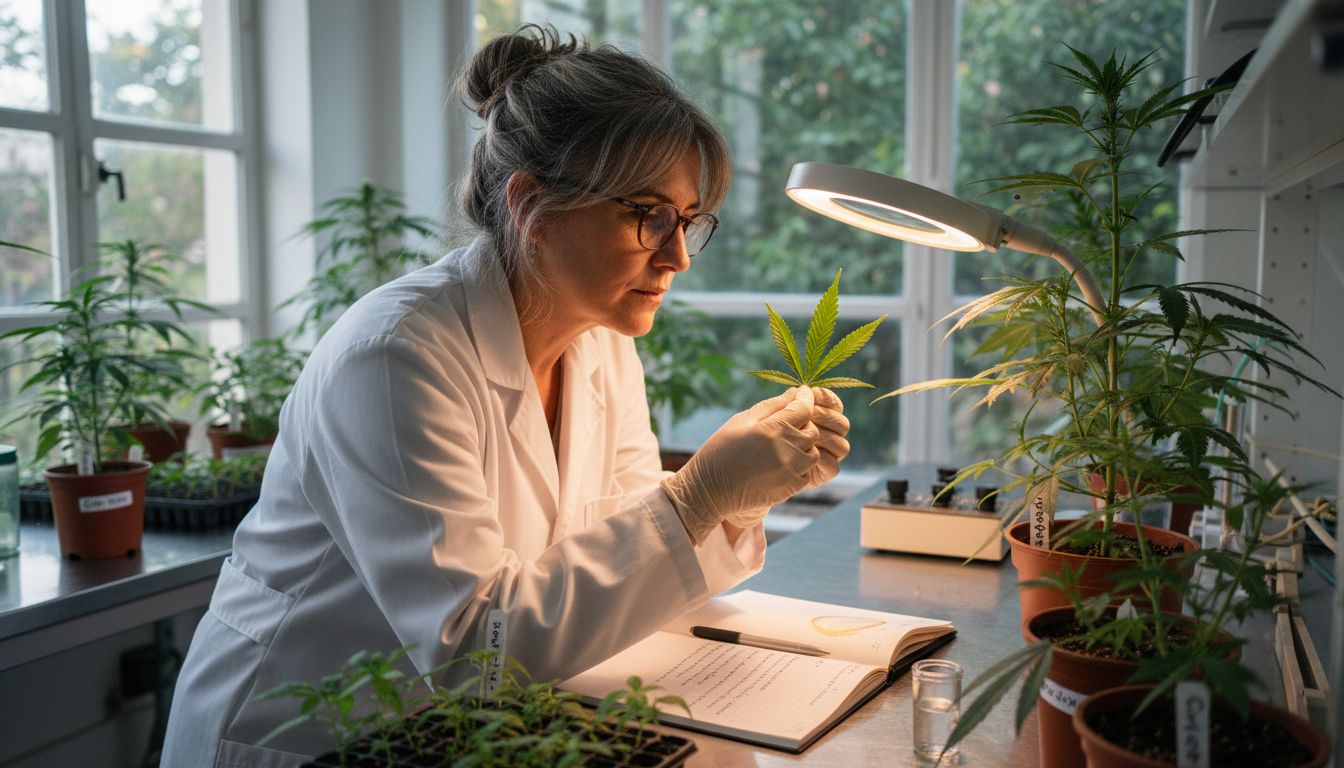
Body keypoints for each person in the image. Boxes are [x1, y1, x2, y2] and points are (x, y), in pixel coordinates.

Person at [161, 24, 850, 767]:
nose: (677, 255)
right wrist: (693, 501)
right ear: (532, 206)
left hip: (460, 733)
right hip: (305, 735)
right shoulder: (396, 356)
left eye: (687, 221)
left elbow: (618, 555)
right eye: (648, 214)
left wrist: (736, 499)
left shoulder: (601, 339)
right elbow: (469, 647)